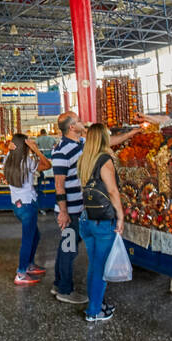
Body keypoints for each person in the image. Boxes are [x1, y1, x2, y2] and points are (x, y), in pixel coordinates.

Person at [51, 112, 138, 306]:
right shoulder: (61, 150)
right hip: (70, 210)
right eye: (79, 120)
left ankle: (58, 284)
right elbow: (59, 184)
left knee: (66, 248)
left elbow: (107, 141)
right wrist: (64, 212)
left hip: (83, 208)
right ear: (72, 127)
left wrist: (131, 133)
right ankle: (64, 289)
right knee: (69, 249)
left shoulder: (82, 143)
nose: (83, 122)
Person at [77, 123, 124, 322]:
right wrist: (120, 216)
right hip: (103, 221)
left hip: (86, 218)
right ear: (104, 138)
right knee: (100, 267)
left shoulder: (84, 159)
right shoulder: (104, 160)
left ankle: (96, 302)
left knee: (94, 265)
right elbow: (112, 191)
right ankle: (94, 311)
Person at [4, 133, 48, 285]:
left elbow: (10, 150)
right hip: (28, 205)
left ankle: (29, 265)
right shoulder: (27, 162)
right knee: (28, 240)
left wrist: (11, 147)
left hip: (17, 205)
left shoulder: (7, 160)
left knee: (35, 236)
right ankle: (21, 273)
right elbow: (47, 165)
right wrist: (36, 149)